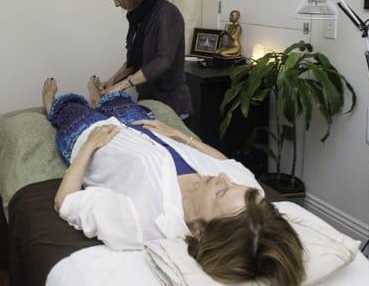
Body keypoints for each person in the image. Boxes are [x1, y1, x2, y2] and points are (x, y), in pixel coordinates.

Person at [42, 77, 305, 286]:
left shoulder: (143, 221)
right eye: (236, 186)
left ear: (200, 231)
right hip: (141, 124)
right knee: (117, 97)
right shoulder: (250, 196)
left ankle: (52, 106)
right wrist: (179, 135)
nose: (225, 179)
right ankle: (100, 98)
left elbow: (64, 201)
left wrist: (90, 145)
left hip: (89, 134)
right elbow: (227, 163)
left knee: (69, 106)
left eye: (220, 193)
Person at [95, 0, 192, 119]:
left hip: (171, 106)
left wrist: (123, 85)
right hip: (148, 103)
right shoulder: (138, 17)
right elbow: (134, 62)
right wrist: (112, 80)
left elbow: (163, 61)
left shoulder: (167, 13)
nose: (116, 4)